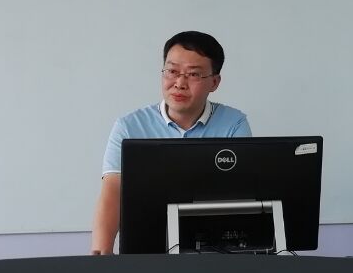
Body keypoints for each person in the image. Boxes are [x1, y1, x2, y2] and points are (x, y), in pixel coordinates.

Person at [91, 30, 250, 254]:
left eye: (193, 74)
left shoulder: (233, 124)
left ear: (214, 82)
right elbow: (113, 191)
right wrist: (101, 253)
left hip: (216, 249)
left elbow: (241, 194)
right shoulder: (129, 126)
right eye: (172, 71)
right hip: (146, 249)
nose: (179, 83)